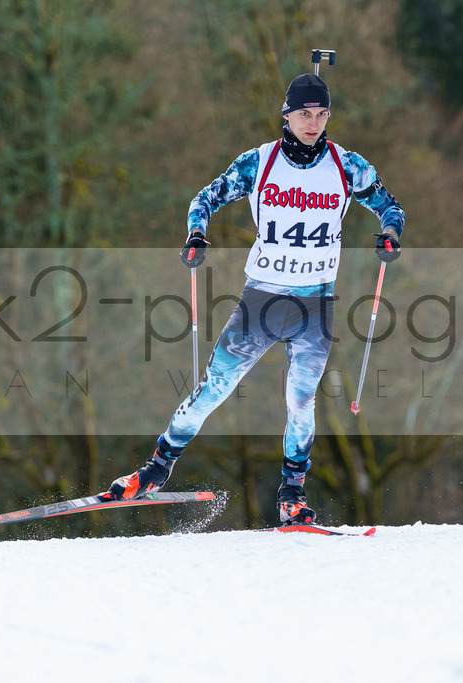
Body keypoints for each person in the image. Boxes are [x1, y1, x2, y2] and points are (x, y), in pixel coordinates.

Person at [98, 73, 405, 525]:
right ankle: (154, 470)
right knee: (212, 390)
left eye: (322, 115)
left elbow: (390, 208)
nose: (314, 123)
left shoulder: (347, 166)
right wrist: (196, 234)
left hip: (315, 304)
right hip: (261, 302)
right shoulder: (259, 163)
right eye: (304, 114)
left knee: (301, 400)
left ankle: (292, 496)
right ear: (286, 115)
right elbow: (204, 199)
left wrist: (390, 235)